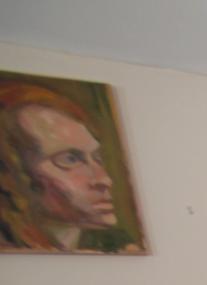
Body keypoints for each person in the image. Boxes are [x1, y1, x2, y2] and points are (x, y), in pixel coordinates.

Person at [0, 81, 137, 252]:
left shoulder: (119, 246)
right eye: (70, 159)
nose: (104, 180)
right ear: (11, 174)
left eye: (97, 157)